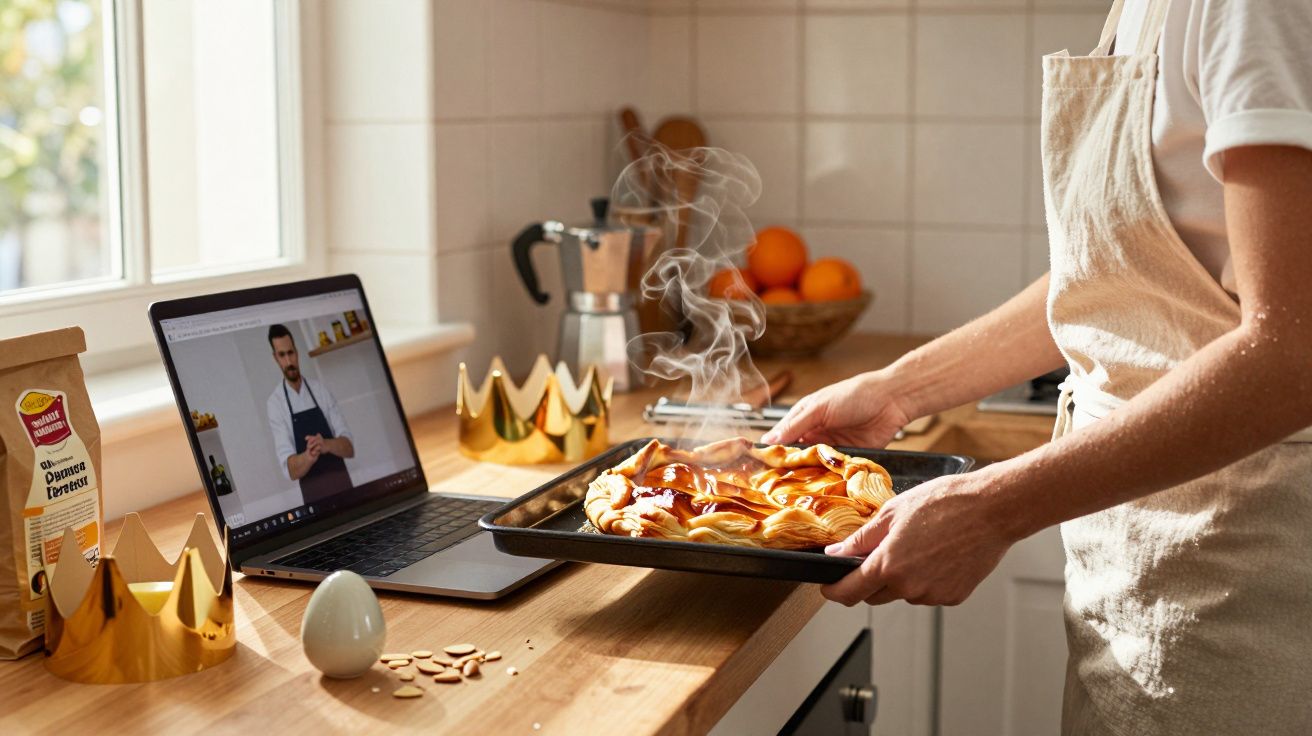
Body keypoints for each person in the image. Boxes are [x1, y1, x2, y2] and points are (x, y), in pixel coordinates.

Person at [762, 0, 1312, 732]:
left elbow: (1293, 353)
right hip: (1136, 580)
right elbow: (1112, 277)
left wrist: (992, 508)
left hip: (1238, 585)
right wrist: (902, 390)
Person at [265, 324, 354, 504]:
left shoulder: (320, 390)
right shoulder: (275, 404)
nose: (289, 361)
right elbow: (291, 470)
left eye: (291, 353)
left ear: (297, 352)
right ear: (276, 358)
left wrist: (326, 444)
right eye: (282, 355)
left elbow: (349, 448)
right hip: (315, 505)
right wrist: (309, 456)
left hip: (347, 493)